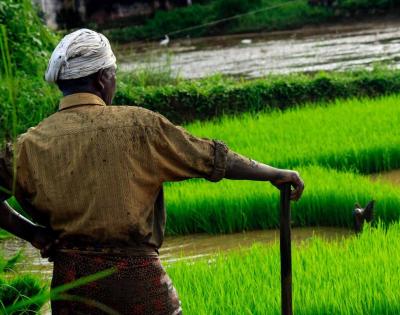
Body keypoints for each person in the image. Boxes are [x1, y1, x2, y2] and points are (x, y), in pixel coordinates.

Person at [0, 29, 304, 315]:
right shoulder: (138, 126)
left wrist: (33, 234)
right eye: (113, 74)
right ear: (102, 79)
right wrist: (273, 173)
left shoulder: (29, 145)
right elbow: (211, 157)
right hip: (136, 280)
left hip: (71, 284)